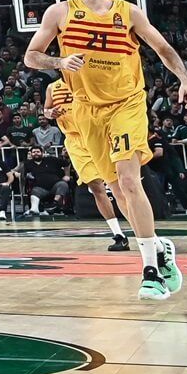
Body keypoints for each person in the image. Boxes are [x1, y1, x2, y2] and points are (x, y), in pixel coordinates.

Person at [23, 0, 187, 300]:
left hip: (126, 103)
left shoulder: (128, 12)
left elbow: (163, 48)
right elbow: (31, 56)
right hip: (86, 109)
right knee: (116, 190)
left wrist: (186, 79)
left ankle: (151, 271)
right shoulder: (59, 13)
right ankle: (160, 248)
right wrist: (59, 60)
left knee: (130, 180)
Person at [42, 76, 131, 250]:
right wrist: (49, 113)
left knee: (117, 186)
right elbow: (46, 109)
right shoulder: (53, 87)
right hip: (74, 140)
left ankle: (143, 231)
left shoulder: (87, 79)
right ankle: (119, 235)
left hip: (97, 135)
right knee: (96, 187)